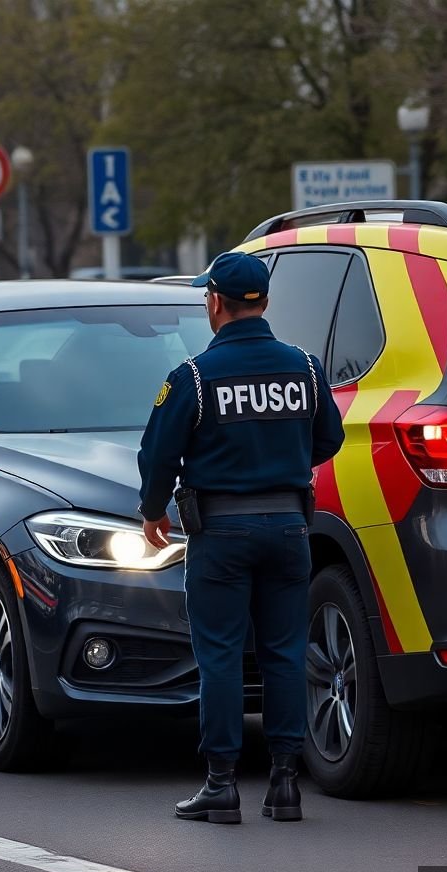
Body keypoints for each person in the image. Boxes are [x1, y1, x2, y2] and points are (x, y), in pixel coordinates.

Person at [137, 251, 345, 824]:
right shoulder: (304, 368)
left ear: (214, 303)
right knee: (284, 654)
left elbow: (157, 455)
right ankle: (284, 784)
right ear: (265, 302)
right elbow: (329, 439)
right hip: (288, 528)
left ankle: (222, 784)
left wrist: (152, 509)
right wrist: (280, 459)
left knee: (222, 657)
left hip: (221, 534)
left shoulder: (195, 376)